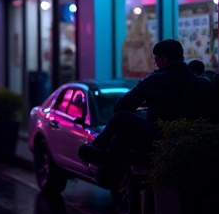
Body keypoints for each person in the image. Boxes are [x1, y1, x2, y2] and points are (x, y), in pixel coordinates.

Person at [79, 39, 210, 187]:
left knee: (121, 118)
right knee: (122, 136)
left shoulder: (154, 81)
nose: (156, 64)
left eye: (156, 60)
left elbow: (121, 106)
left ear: (163, 59)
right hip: (192, 135)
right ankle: (108, 167)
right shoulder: (202, 83)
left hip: (159, 135)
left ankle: (99, 150)